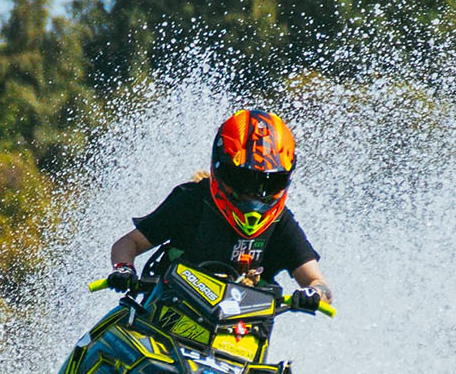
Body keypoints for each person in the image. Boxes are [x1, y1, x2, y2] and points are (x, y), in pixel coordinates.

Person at [106, 109, 332, 310]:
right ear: (220, 168)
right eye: (244, 181)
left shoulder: (281, 223)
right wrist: (124, 269)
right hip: (160, 323)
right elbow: (128, 243)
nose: (255, 195)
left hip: (238, 342)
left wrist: (314, 294)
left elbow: (317, 282)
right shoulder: (192, 200)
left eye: (269, 183)